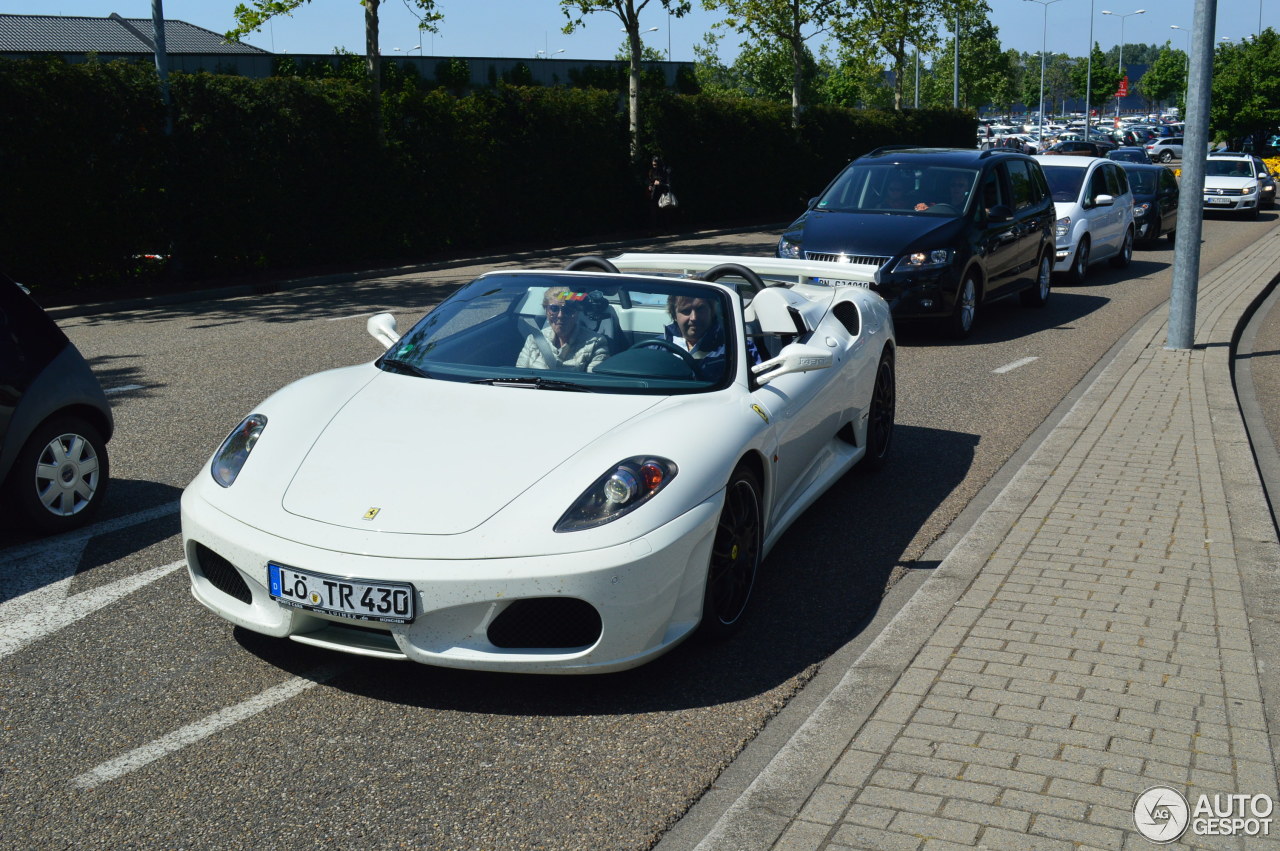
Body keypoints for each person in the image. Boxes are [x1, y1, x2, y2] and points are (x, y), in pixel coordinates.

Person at [662, 293, 761, 379]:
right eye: (686, 310)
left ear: (712, 311)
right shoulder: (656, 348)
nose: (694, 317)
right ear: (674, 315)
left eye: (700, 309)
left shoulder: (739, 349)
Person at [516, 286, 611, 371]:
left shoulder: (596, 343)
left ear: (577, 312)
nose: (560, 315)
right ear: (546, 310)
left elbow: (593, 383)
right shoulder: (534, 339)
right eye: (554, 309)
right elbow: (519, 376)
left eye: (567, 310)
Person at [647, 155, 673, 231]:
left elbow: (669, 185)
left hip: (663, 195)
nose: (654, 166)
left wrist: (660, 183)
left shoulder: (665, 172)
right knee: (653, 214)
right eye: (653, 165)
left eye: (655, 165)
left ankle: (665, 229)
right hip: (654, 195)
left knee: (664, 213)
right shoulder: (652, 171)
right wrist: (650, 186)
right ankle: (654, 230)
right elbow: (650, 181)